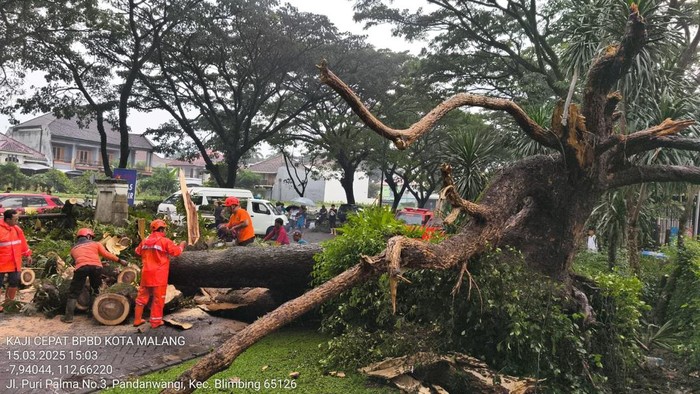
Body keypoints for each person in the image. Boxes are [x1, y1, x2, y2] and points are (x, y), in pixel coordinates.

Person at [62, 228, 128, 323]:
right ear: (88, 236)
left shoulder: (73, 249)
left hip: (81, 268)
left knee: (73, 292)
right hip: (96, 267)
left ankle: (68, 317)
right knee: (96, 289)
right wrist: (120, 260)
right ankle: (92, 314)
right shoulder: (96, 244)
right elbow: (106, 254)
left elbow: (78, 260)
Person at [134, 219, 185, 328]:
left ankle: (137, 319)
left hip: (146, 274)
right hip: (159, 275)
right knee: (158, 299)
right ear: (162, 229)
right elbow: (176, 252)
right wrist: (181, 245)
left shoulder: (145, 241)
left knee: (141, 298)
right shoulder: (165, 241)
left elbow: (137, 252)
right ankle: (155, 322)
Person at [0, 209, 31, 312]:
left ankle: (8, 303)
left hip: (14, 262)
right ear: (8, 219)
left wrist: (28, 254)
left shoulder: (17, 229)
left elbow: (23, 243)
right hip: (1, 263)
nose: (17, 221)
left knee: (14, 282)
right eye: (15, 219)